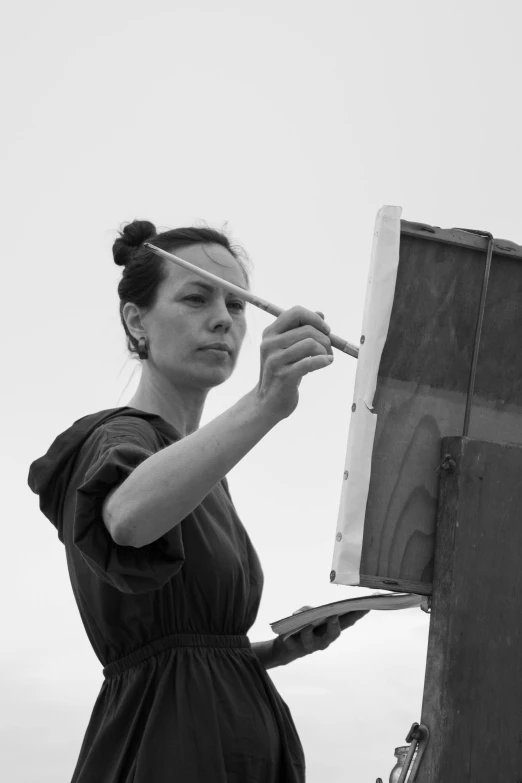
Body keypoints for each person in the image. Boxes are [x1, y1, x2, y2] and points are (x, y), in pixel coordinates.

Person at [28, 220, 367, 783]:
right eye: (195, 297)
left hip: (231, 740)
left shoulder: (202, 466)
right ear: (137, 321)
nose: (223, 319)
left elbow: (182, 651)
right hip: (168, 750)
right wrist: (264, 403)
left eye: (236, 304)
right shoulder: (114, 438)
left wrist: (269, 653)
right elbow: (126, 521)